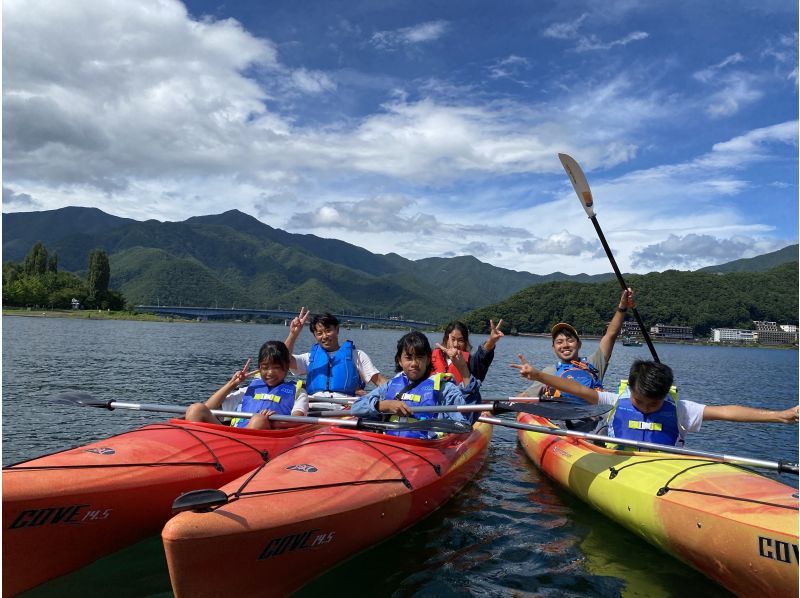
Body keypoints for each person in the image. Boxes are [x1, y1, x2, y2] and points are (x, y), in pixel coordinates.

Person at [512, 356, 799, 447]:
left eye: (654, 404)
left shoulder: (680, 410)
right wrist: (537, 374)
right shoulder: (616, 400)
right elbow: (577, 388)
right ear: (632, 389)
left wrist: (780, 415)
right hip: (619, 463)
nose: (648, 408)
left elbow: (727, 412)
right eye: (641, 402)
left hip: (665, 468)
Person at [350, 331, 480, 439]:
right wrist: (383, 405)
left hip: (426, 448)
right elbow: (356, 408)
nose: (414, 363)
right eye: (408, 358)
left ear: (428, 360)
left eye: (419, 357)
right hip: (390, 444)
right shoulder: (391, 386)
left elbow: (466, 419)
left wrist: (463, 369)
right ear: (400, 361)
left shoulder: (443, 388)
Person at [523, 288, 635, 401]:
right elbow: (525, 397)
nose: (565, 345)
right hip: (560, 417)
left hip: (590, 417)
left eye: (570, 340)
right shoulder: (549, 372)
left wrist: (622, 307)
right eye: (559, 342)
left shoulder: (593, 364)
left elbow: (610, 335)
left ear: (579, 344)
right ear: (554, 348)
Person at [185, 340, 308, 429]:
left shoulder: (297, 392)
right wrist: (232, 384)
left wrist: (273, 421)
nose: (270, 373)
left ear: (286, 367)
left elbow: (297, 420)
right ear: (259, 368)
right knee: (196, 409)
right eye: (265, 368)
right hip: (233, 436)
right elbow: (209, 407)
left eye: (276, 368)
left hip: (257, 442)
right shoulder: (250, 389)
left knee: (259, 420)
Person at [284, 308, 387, 398]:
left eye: (328, 331)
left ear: (337, 330)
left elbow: (380, 381)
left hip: (346, 409)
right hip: (314, 408)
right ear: (315, 336)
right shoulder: (310, 358)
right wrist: (293, 334)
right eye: (319, 333)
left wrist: (400, 391)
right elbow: (284, 360)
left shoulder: (357, 355)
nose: (324, 336)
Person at [432, 319, 504, 384]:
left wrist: (491, 341)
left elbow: (481, 357)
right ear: (445, 339)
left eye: (460, 340)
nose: (455, 344)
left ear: (466, 342)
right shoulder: (430, 359)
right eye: (452, 339)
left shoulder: (470, 363)